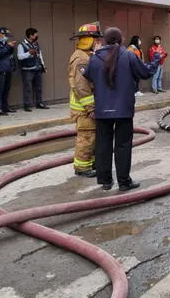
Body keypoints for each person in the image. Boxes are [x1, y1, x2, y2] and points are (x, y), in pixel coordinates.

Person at [85, 27, 160, 191]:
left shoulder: (95, 58)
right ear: (121, 39)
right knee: (123, 145)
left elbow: (88, 76)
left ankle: (105, 181)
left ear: (105, 40)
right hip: (124, 110)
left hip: (102, 110)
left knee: (103, 145)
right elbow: (146, 72)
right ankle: (124, 182)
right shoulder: (128, 56)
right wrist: (156, 60)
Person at [68, 22, 103, 177]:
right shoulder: (81, 58)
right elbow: (82, 86)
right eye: (96, 39)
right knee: (87, 137)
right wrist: (91, 108)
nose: (98, 42)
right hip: (84, 109)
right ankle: (82, 167)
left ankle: (91, 163)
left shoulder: (88, 56)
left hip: (87, 107)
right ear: (89, 40)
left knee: (93, 137)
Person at [18, 28, 49, 112]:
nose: (37, 36)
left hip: (37, 68)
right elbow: (19, 57)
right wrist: (29, 53)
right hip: (28, 70)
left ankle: (39, 103)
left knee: (39, 87)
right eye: (35, 34)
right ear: (31, 35)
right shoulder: (21, 45)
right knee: (28, 88)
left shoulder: (36, 44)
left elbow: (40, 55)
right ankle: (27, 105)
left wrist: (43, 65)